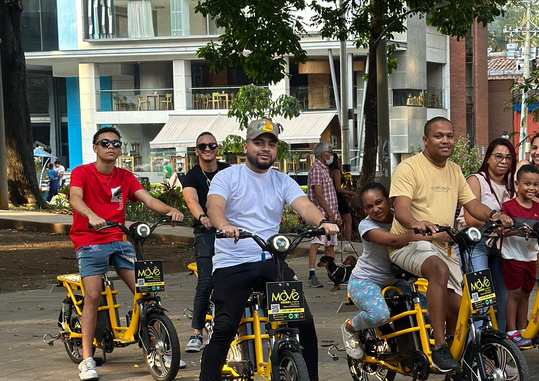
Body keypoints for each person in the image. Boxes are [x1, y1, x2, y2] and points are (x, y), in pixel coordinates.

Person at [201, 119, 338, 381]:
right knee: (225, 328)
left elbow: (304, 205)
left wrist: (321, 222)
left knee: (305, 323)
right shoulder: (227, 176)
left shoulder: (282, 180)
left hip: (271, 261)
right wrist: (224, 225)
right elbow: (215, 206)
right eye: (259, 143)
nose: (266, 148)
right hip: (234, 262)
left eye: (271, 144)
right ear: (246, 146)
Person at [388, 117, 513, 373]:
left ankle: (457, 369)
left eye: (449, 136)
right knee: (439, 270)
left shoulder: (455, 170)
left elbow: (472, 205)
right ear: (425, 140)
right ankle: (439, 347)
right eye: (438, 136)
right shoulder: (408, 168)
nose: (445, 140)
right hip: (410, 243)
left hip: (443, 246)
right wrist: (416, 223)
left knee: (461, 308)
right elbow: (400, 209)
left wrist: (493, 215)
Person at [67, 126, 185, 381]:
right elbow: (75, 197)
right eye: (105, 143)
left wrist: (169, 211)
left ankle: (163, 349)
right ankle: (87, 359)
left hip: (118, 239)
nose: (111, 147)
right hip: (89, 240)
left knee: (147, 293)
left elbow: (149, 199)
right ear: (95, 147)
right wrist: (91, 215)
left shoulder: (125, 176)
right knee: (93, 296)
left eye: (116, 144)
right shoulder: (82, 172)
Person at [340, 182, 441, 359]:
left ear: (389, 200)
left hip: (397, 280)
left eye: (379, 202)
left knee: (431, 311)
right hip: (365, 280)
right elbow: (394, 241)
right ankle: (349, 327)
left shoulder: (402, 219)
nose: (376, 209)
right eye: (369, 207)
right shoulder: (366, 226)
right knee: (379, 315)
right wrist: (433, 235)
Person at [459, 137, 516, 332]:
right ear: (488, 158)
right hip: (476, 244)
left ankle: (497, 353)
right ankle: (476, 355)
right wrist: (495, 223)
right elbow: (470, 218)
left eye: (508, 157)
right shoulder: (476, 180)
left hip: (502, 245)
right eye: (498, 156)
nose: (504, 161)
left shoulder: (512, 185)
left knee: (502, 301)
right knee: (482, 300)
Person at [181, 132, 230, 353]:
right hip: (206, 232)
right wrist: (202, 217)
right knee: (206, 282)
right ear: (197, 151)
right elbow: (191, 200)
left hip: (232, 231)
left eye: (212, 145)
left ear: (217, 149)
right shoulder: (192, 176)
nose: (207, 149)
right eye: (203, 146)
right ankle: (196, 332)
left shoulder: (228, 170)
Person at [500, 164, 539, 347]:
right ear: (517, 184)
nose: (531, 188)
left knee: (526, 293)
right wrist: (518, 229)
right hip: (512, 256)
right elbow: (501, 232)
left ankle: (523, 329)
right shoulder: (508, 206)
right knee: (514, 294)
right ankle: (511, 331)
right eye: (527, 184)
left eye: (535, 184)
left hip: (531, 257)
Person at [306, 141, 339, 288]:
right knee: (316, 243)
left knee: (330, 245)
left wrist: (334, 214)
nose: (331, 155)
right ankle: (312, 275)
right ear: (323, 154)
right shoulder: (316, 169)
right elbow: (318, 195)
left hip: (330, 214)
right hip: (320, 215)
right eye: (330, 152)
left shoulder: (324, 168)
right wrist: (329, 213)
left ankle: (333, 274)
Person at [328, 153, 356, 251]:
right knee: (347, 220)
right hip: (338, 197)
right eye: (339, 161)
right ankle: (347, 244)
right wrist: (351, 193)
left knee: (334, 220)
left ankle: (333, 244)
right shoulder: (336, 172)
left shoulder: (327, 171)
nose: (340, 163)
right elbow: (338, 189)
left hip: (330, 197)